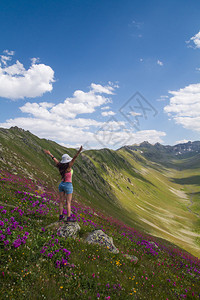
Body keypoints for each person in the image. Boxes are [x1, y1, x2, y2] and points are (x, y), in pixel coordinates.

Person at [44, 146, 82, 222]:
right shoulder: (68, 167)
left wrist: (50, 154)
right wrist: (78, 152)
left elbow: (54, 159)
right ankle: (68, 217)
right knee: (68, 202)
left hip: (61, 185)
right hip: (68, 185)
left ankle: (60, 216)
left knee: (61, 201)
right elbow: (74, 158)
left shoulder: (59, 166)